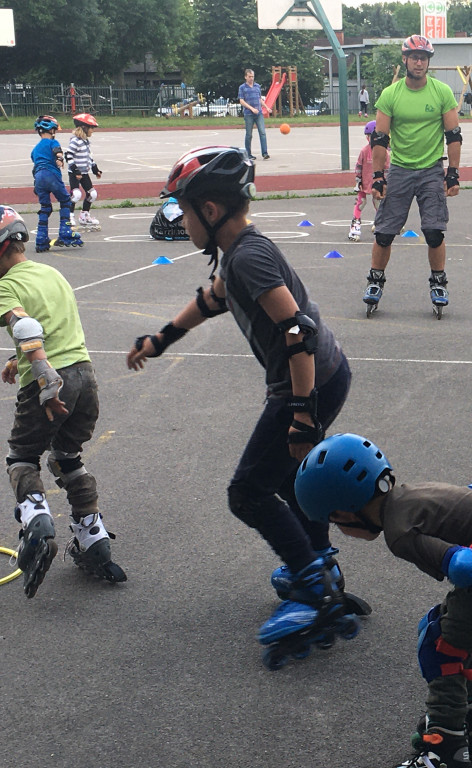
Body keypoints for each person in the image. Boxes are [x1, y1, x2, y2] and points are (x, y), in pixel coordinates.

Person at [125, 146, 367, 664]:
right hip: (325, 373)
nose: (180, 221)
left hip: (307, 382)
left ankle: (314, 589)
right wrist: (161, 339)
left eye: (183, 211)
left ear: (209, 212)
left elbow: (297, 331)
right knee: (288, 480)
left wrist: (302, 414)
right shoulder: (237, 253)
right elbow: (212, 300)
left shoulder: (249, 257)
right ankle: (319, 564)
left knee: (248, 493)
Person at [293, 432, 472, 768]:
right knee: (440, 628)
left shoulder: (399, 533)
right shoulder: (410, 496)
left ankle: (445, 751)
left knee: (440, 646)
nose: (341, 531)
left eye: (333, 522)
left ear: (345, 511)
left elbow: (465, 565)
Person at [0, 206, 125, 597]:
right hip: (86, 376)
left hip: (52, 380)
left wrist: (44, 377)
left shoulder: (6, 285)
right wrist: (14, 358)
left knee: (22, 456)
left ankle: (36, 524)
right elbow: (53, 326)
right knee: (66, 457)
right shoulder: (51, 272)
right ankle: (94, 542)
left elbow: (26, 325)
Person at [363, 35, 461, 320]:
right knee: (384, 233)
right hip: (401, 169)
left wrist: (452, 173)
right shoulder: (390, 95)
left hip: (431, 169)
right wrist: (379, 177)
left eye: (424, 57)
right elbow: (379, 139)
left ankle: (438, 282)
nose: (419, 62)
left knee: (433, 231)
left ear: (428, 61)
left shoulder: (442, 92)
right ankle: (375, 280)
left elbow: (453, 136)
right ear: (405, 60)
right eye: (414, 57)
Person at [30, 115, 81, 252]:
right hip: (51, 175)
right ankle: (65, 233)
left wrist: (37, 184)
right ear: (51, 130)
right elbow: (57, 151)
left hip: (39, 178)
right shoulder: (53, 142)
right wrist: (59, 159)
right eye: (55, 130)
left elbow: (35, 167)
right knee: (66, 201)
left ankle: (41, 239)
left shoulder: (35, 149)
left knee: (45, 207)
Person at [349, 120, 389, 242]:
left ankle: (379, 223)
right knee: (361, 203)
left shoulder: (385, 152)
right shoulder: (364, 151)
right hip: (364, 182)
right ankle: (355, 225)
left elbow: (387, 168)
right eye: (370, 137)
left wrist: (386, 182)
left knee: (378, 203)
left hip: (377, 183)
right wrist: (358, 180)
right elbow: (359, 166)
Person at [66, 113, 103, 232]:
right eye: (91, 128)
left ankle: (84, 215)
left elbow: (88, 157)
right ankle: (69, 216)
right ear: (84, 127)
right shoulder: (75, 141)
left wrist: (95, 168)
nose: (93, 131)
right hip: (74, 173)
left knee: (92, 194)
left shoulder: (85, 142)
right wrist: (75, 169)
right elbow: (68, 155)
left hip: (84, 173)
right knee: (76, 194)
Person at [238, 69, 270, 160]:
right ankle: (248, 154)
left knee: (262, 132)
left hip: (259, 113)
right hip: (249, 114)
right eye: (249, 77)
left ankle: (265, 153)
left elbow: (259, 99)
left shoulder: (257, 86)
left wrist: (266, 107)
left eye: (252, 76)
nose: (251, 78)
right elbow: (241, 101)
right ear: (245, 77)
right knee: (249, 134)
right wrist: (251, 108)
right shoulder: (242, 87)